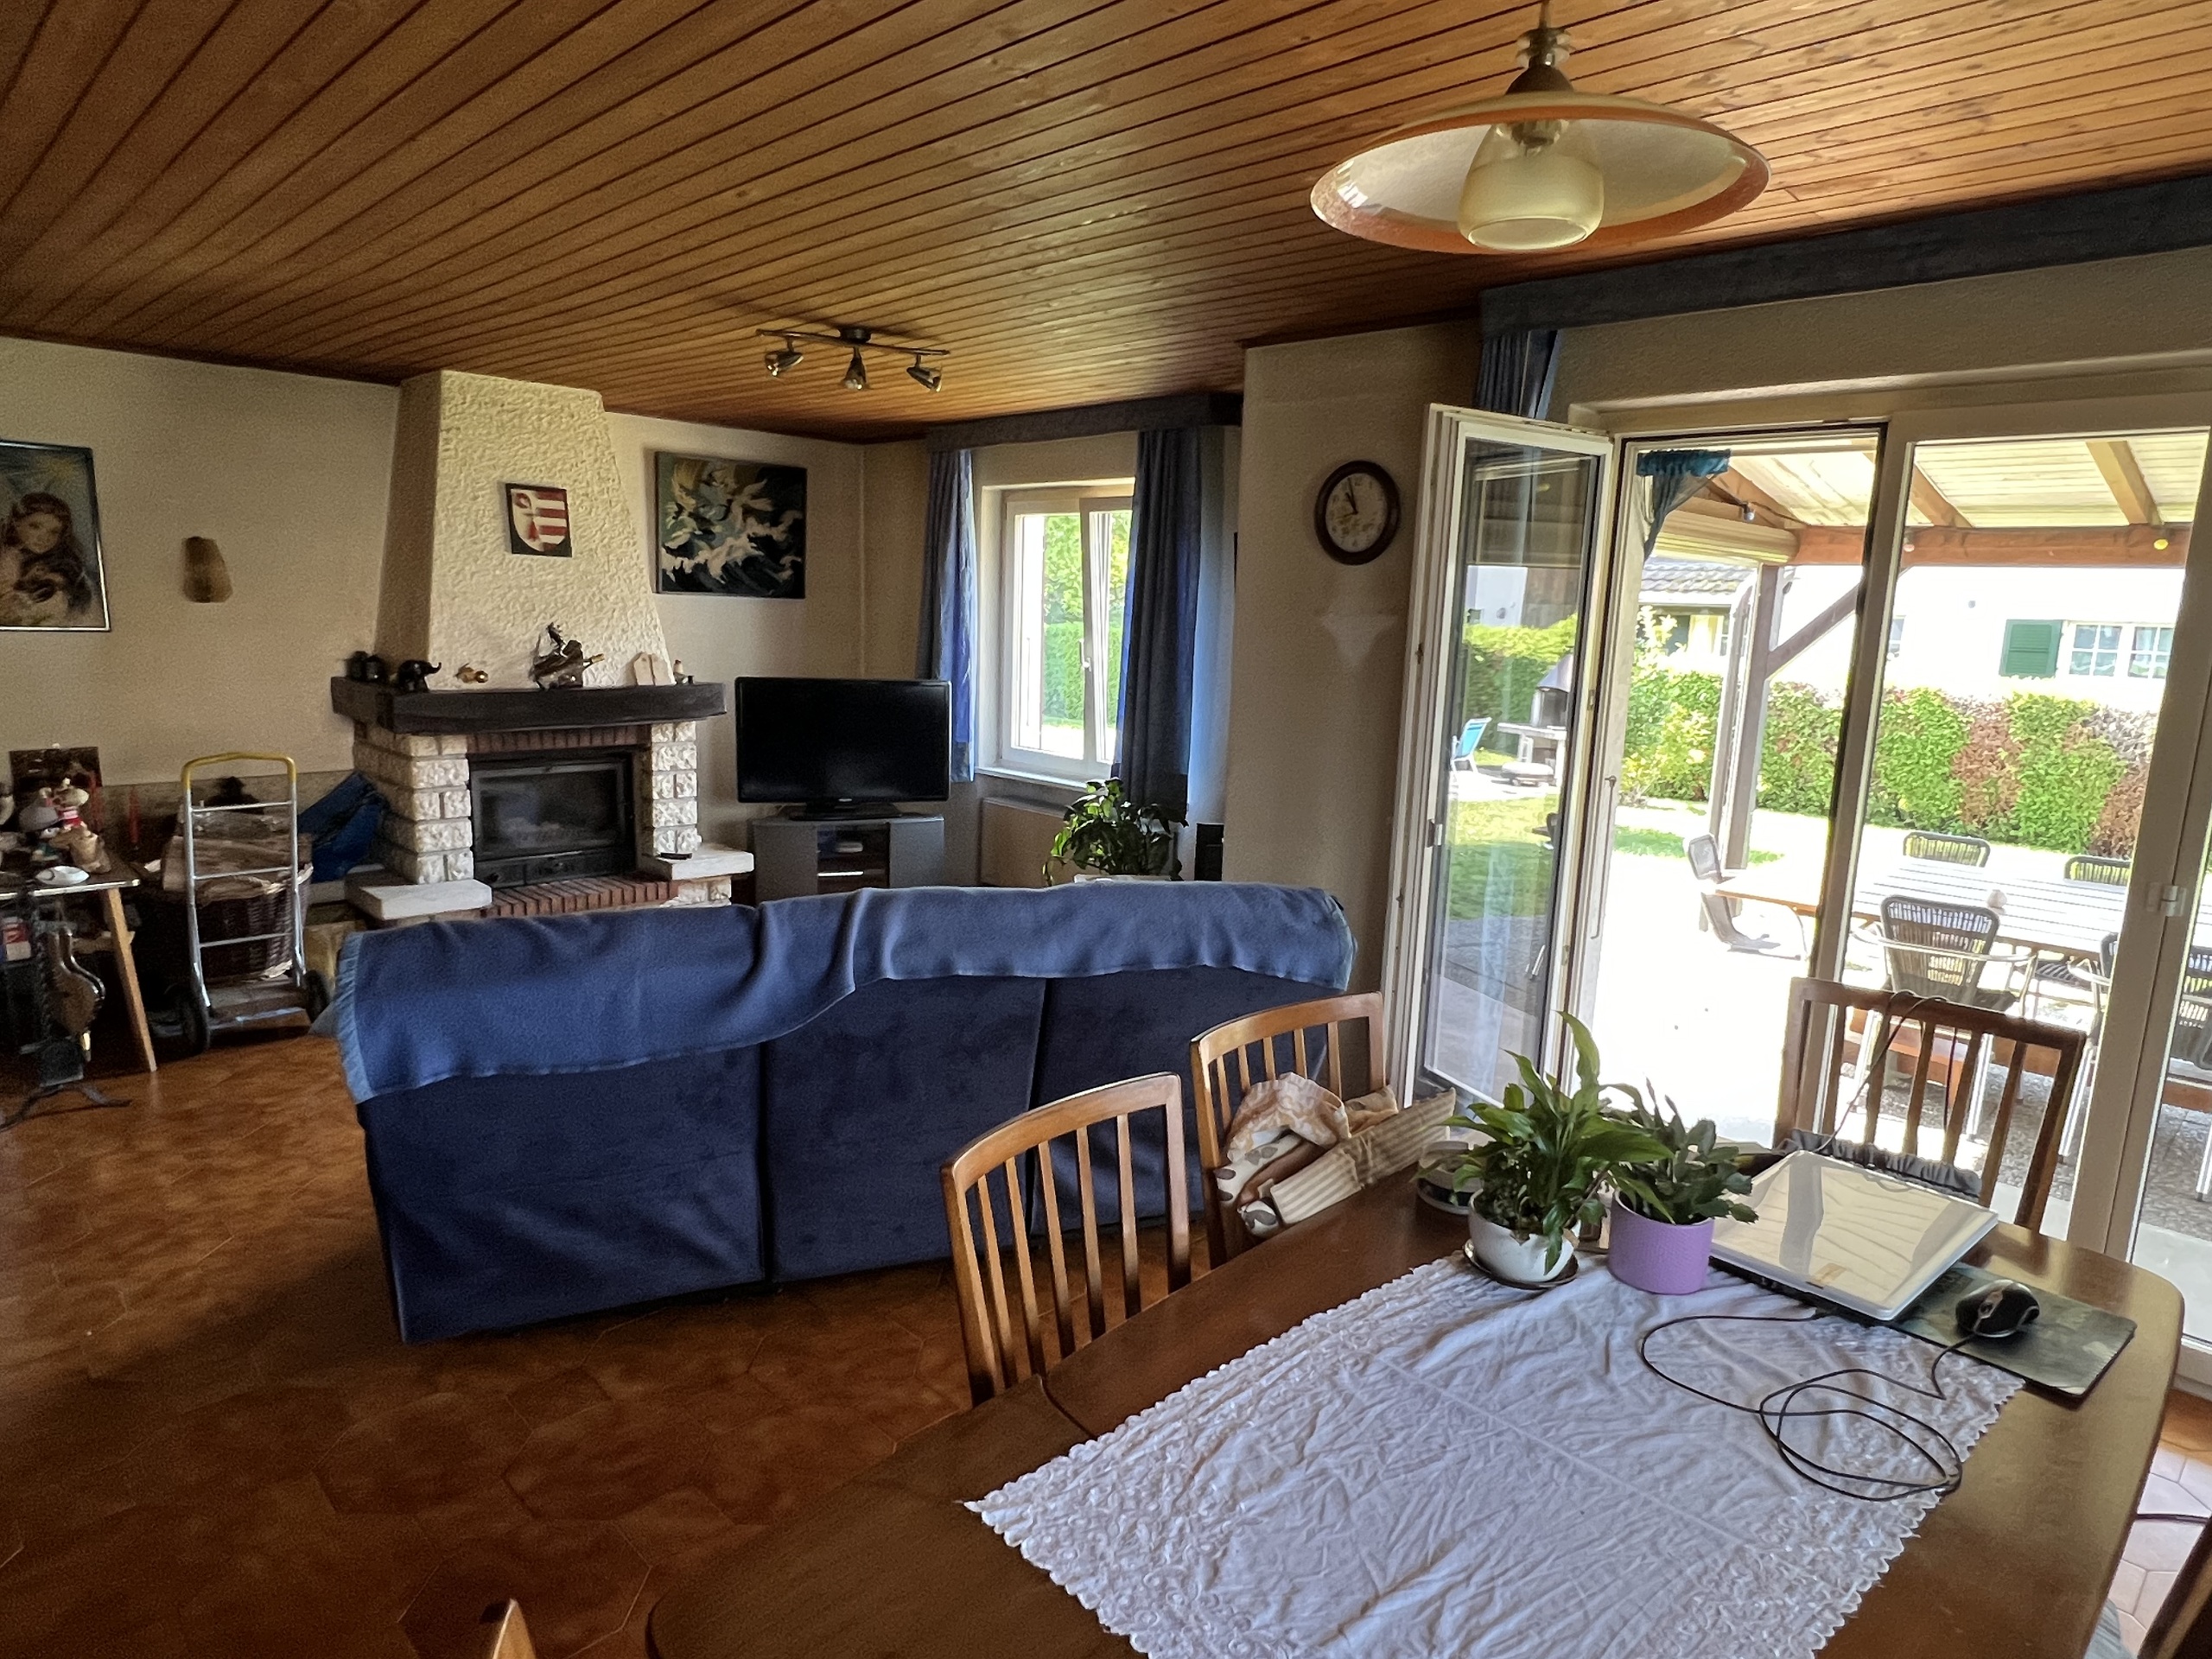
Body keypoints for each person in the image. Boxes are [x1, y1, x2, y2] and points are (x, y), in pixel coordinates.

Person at [0, 492, 99, 626]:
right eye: (35, 526)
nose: (44, 538)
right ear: (17, 523)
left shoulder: (63, 565)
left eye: (54, 532)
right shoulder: (8, 557)